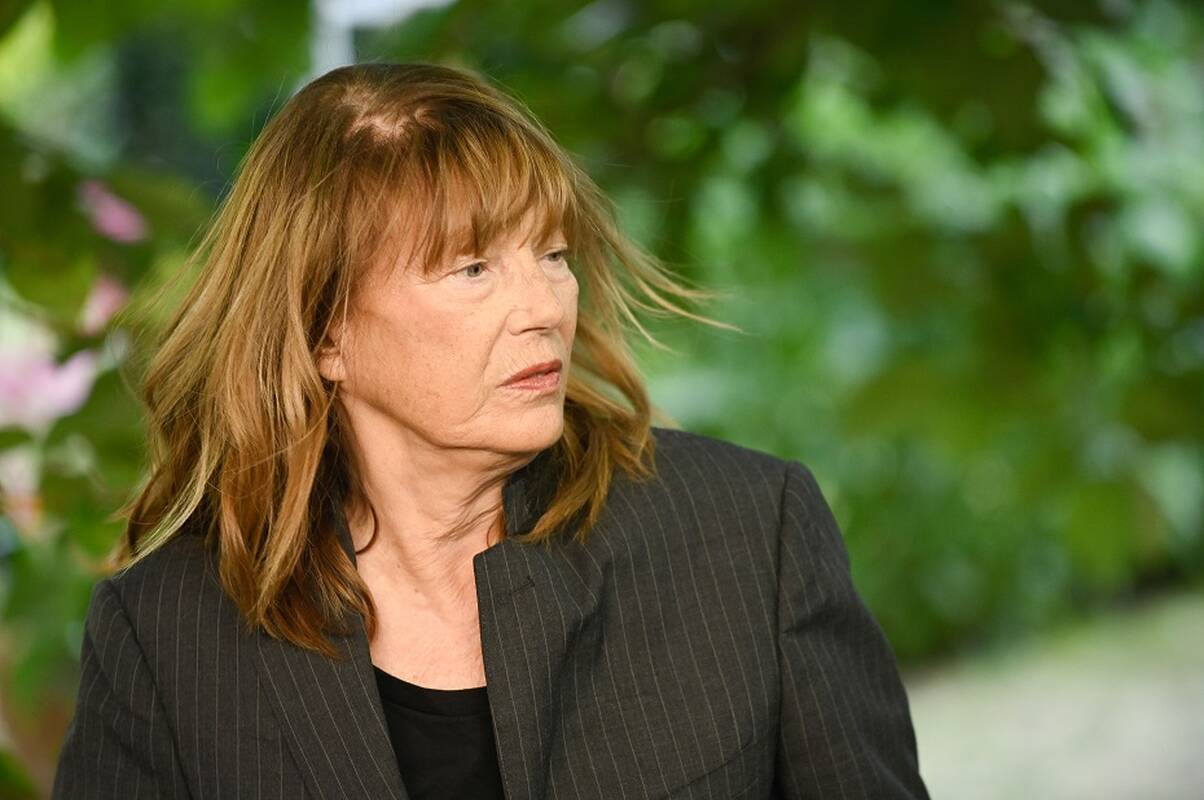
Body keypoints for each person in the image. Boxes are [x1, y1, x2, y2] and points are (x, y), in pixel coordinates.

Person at [50, 61, 930, 799]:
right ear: (326, 334)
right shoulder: (165, 635)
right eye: (473, 268)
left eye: (552, 254)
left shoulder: (749, 532)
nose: (544, 306)